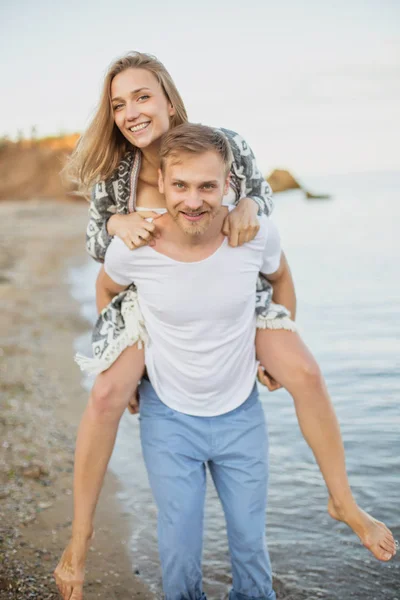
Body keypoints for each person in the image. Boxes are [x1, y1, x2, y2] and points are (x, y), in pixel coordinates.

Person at [54, 57, 396, 600]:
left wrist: (252, 205)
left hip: (234, 290)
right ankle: (81, 537)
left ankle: (343, 501)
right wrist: (118, 223)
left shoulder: (223, 143)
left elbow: (262, 199)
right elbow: (103, 252)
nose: (130, 113)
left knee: (303, 370)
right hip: (147, 301)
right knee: (106, 395)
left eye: (142, 97)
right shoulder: (114, 174)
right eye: (118, 104)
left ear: (168, 97)